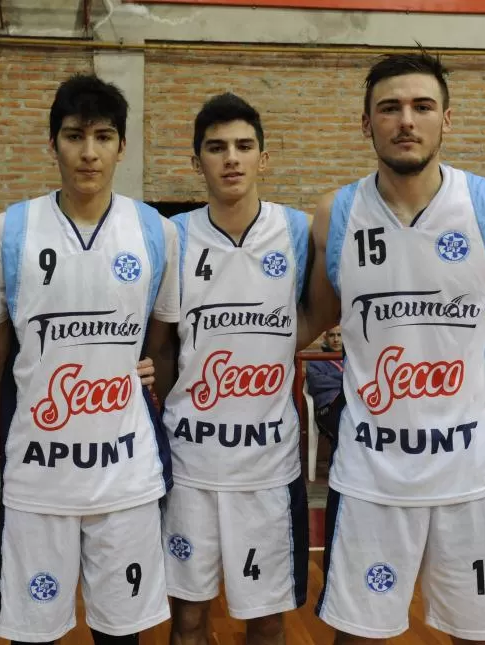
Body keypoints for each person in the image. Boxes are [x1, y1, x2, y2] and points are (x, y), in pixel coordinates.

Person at [301, 51, 485, 644]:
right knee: (356, 636)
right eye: (389, 108)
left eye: (422, 106)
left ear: (448, 118)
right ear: (366, 124)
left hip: (470, 468)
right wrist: (204, 345)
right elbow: (314, 316)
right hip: (371, 473)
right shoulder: (334, 215)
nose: (406, 121)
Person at [0, 73, 178, 645]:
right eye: (73, 136)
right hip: (39, 476)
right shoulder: (7, 231)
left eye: (103, 136)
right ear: (52, 143)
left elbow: (160, 344)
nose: (88, 152)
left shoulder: (156, 232)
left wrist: (145, 372)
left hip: (126, 475)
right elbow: (0, 355)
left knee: (122, 634)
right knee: (34, 633)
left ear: (121, 145)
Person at [148, 92, 309, 645]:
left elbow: (321, 313)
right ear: (198, 162)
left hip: (268, 466)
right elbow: (163, 346)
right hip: (191, 461)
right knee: (188, 618)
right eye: (216, 148)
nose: (231, 159)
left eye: (244, 146)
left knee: (265, 619)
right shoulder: (173, 237)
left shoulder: (299, 233)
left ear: (264, 157)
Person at [304, 325, 345, 444]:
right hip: (327, 409)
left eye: (339, 335)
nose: (336, 339)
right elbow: (316, 383)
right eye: (332, 335)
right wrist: (344, 377)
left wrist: (330, 376)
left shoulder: (352, 359)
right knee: (345, 427)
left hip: (350, 407)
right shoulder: (316, 360)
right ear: (325, 338)